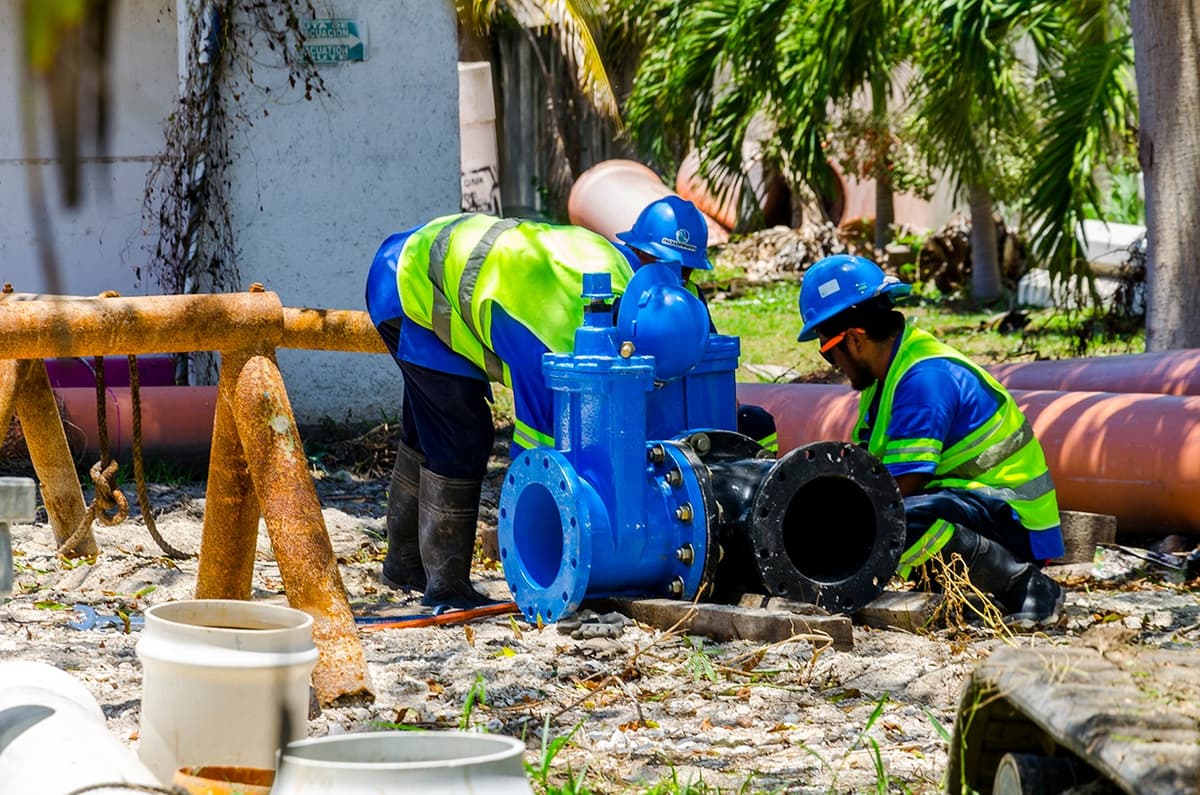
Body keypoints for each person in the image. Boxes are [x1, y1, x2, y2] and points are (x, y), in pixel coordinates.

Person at [364, 199, 723, 608]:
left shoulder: (635, 280)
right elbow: (534, 457)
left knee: (428, 425)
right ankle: (445, 586)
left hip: (440, 263)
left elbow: (682, 323)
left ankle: (404, 563)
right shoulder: (558, 337)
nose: (683, 279)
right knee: (461, 434)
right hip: (408, 280)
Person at [796, 254, 1066, 626]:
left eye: (828, 352)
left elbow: (901, 484)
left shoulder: (923, 378)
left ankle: (1026, 584)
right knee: (877, 518)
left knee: (889, 520)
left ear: (855, 339)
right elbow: (871, 468)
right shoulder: (887, 379)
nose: (834, 365)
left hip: (1015, 521)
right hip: (974, 507)